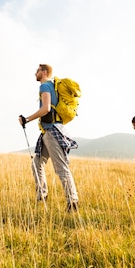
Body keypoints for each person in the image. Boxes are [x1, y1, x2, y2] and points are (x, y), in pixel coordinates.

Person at [19, 64, 79, 211]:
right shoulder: (52, 86)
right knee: (37, 162)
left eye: (37, 71)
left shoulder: (45, 86)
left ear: (44, 72)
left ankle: (73, 202)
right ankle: (42, 196)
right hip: (48, 131)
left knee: (61, 168)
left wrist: (27, 119)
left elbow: (45, 108)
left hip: (52, 131)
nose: (35, 73)